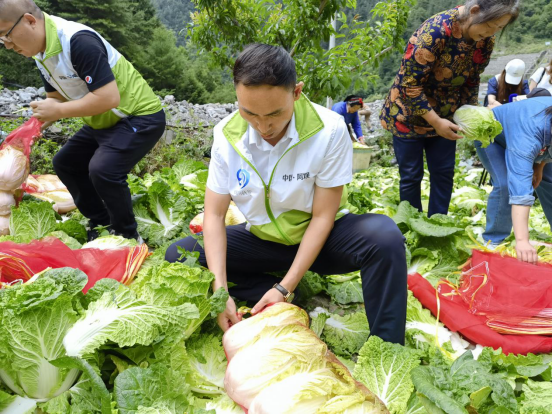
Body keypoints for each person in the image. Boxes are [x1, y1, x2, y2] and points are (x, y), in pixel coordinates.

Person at [166, 44, 407, 345]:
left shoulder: (329, 130)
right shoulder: (226, 135)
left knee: (383, 237)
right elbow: (214, 215)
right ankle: (267, 293)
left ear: (296, 92)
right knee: (179, 254)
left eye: (275, 114)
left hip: (323, 240)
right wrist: (220, 291)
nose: (263, 126)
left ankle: (388, 348)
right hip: (264, 240)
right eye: (249, 112)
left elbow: (322, 216)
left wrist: (286, 286)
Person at [0, 0, 166, 242]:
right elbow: (55, 101)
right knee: (66, 162)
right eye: (1, 40)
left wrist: (56, 112)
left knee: (103, 169)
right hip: (104, 120)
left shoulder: (78, 41)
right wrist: (24, 134)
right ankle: (101, 221)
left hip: (139, 116)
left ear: (30, 20)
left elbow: (108, 97)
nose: (7, 45)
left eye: (7, 35)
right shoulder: (41, 54)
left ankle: (126, 236)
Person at [380, 0, 519, 217]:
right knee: (410, 175)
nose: (491, 33)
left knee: (443, 174)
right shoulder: (435, 31)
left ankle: (438, 225)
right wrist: (436, 122)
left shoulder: (484, 41)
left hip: (447, 115)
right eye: (490, 26)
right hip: (408, 113)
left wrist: (470, 114)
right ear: (474, 11)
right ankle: (410, 228)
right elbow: (410, 85)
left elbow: (472, 80)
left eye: (499, 29)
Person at [474, 97, 552, 263]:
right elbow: (520, 191)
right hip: (493, 134)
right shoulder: (528, 136)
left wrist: (540, 165)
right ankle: (493, 241)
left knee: (549, 181)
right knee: (505, 184)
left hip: (530, 134)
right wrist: (522, 241)